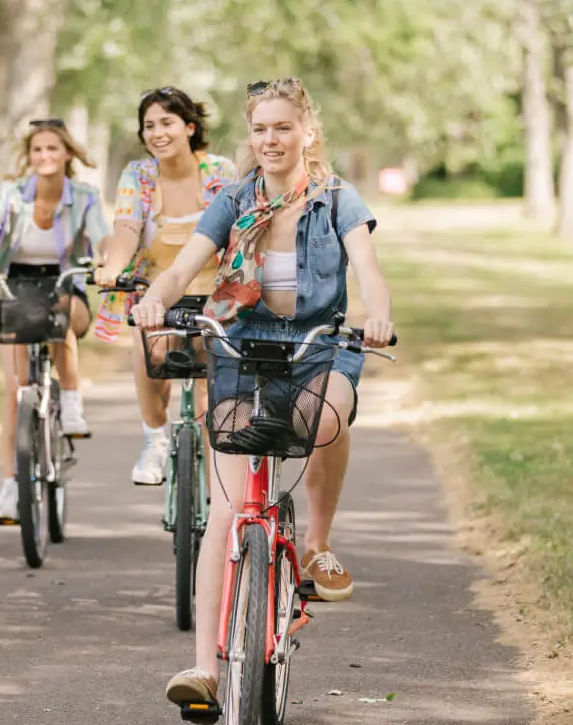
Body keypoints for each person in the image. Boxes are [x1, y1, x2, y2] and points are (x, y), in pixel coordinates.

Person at [130, 78, 394, 707]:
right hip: (242, 347)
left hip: (315, 346)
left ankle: (317, 545)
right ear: (249, 137)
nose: (270, 140)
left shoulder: (337, 200)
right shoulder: (235, 198)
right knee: (223, 515)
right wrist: (155, 299)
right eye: (260, 129)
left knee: (325, 417)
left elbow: (370, 270)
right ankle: (204, 671)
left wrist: (378, 314)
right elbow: (183, 263)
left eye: (283, 128)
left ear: (307, 131)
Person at [0, 118, 110, 524]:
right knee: (15, 390)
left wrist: (108, 261)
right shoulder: (10, 195)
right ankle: (11, 487)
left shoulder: (86, 197)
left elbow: (103, 238)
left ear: (67, 154)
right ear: (30, 156)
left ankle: (71, 403)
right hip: (16, 286)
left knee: (59, 318)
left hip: (63, 284)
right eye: (37, 150)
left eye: (52, 149)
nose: (44, 156)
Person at [93, 87, 237, 486]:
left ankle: (216, 493)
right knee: (150, 355)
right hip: (156, 290)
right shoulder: (137, 176)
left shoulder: (221, 172)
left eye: (167, 123)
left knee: (212, 397)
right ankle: (155, 437)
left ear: (190, 127)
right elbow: (126, 229)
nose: (157, 133)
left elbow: (238, 230)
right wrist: (112, 267)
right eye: (149, 126)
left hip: (215, 292)